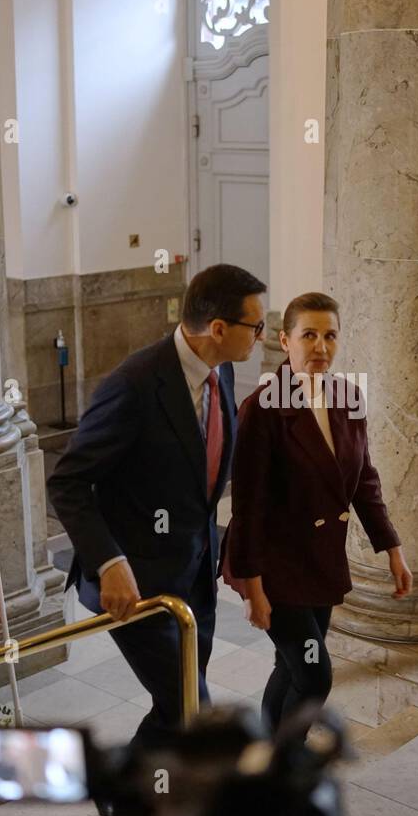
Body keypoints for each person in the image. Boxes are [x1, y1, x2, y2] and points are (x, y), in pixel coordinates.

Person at [48, 263, 266, 750]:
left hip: (195, 573)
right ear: (218, 329)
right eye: (256, 326)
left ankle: (126, 799)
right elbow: (67, 483)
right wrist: (109, 563)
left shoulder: (221, 370)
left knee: (176, 710)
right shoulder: (134, 385)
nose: (260, 336)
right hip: (138, 583)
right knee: (193, 707)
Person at [222, 292, 412, 733]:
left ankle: (270, 760)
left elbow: (364, 478)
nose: (321, 347)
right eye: (309, 335)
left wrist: (392, 547)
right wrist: (253, 589)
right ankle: (289, 770)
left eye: (330, 335)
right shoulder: (261, 410)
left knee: (291, 667)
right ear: (285, 342)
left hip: (319, 561)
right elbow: (247, 505)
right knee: (315, 674)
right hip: (272, 566)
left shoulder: (348, 398)